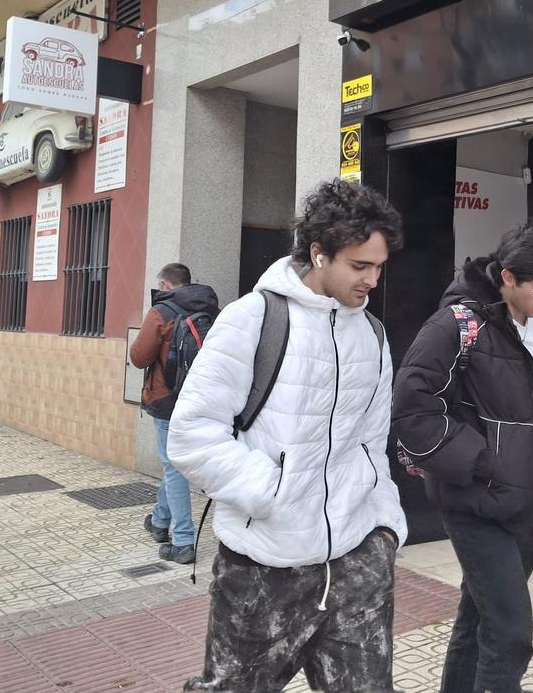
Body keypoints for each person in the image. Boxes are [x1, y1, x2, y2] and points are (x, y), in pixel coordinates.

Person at [168, 179, 407, 693]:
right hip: (262, 569)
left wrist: (385, 527)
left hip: (356, 560)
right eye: (359, 266)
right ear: (319, 254)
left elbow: (372, 440)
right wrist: (271, 491)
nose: (373, 280)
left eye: (380, 266)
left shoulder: (373, 335)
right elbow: (191, 435)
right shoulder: (252, 320)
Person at [392, 219, 533, 693]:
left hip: (524, 500)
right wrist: (483, 460)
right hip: (473, 501)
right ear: (508, 277)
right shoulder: (458, 324)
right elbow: (413, 407)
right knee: (511, 636)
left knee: (480, 618)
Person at [130, 263, 220, 564]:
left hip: (167, 399)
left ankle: (182, 540)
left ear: (166, 285)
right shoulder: (209, 309)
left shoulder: (162, 312)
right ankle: (159, 520)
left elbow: (139, 357)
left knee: (174, 467)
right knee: (175, 464)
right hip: (200, 400)